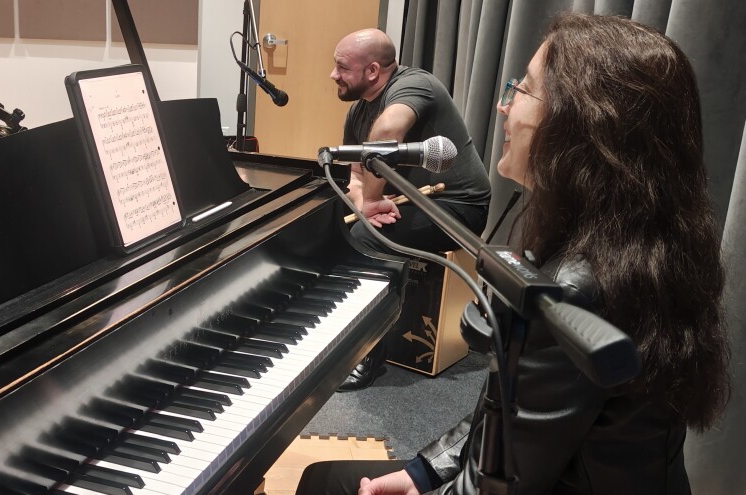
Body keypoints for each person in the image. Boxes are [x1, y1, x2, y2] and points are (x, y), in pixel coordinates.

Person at [298, 12, 730, 494]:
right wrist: (421, 470)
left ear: (581, 123)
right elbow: (507, 417)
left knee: (324, 484)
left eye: (521, 90)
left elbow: (500, 484)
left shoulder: (576, 289)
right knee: (325, 478)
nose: (503, 108)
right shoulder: (636, 245)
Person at [331, 28, 491, 391]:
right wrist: (364, 203)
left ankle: (366, 353)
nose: (333, 75)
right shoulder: (358, 112)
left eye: (342, 67)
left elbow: (388, 130)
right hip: (408, 202)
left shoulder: (415, 84)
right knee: (335, 226)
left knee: (363, 240)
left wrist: (369, 207)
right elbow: (355, 175)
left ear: (372, 71)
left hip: (457, 204)